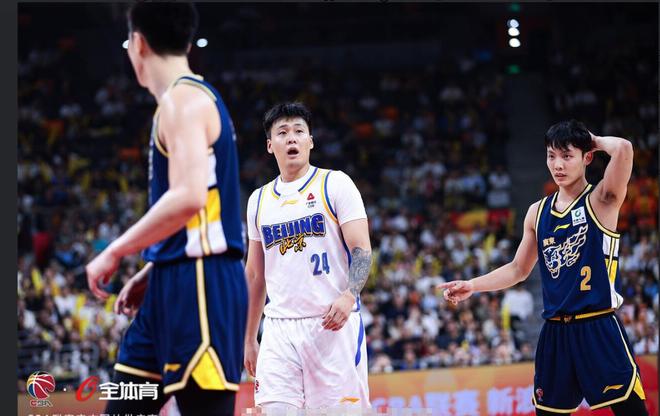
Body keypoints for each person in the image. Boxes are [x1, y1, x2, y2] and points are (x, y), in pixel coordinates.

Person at [85, 3, 246, 415]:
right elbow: (202, 206)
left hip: (202, 287)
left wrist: (115, 250)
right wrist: (156, 264)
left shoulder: (183, 101)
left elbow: (189, 196)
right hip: (169, 281)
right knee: (126, 405)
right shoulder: (187, 100)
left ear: (137, 44)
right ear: (187, 43)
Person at [439, 120, 648, 415]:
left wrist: (592, 139)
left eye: (567, 155)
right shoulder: (536, 212)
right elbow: (517, 269)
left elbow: (624, 149)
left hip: (597, 324)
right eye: (552, 155)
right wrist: (473, 285)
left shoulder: (601, 200)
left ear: (587, 157)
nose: (557, 165)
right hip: (555, 332)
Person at [244, 102, 372, 409]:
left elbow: (362, 249)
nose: (292, 138)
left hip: (331, 324)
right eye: (282, 132)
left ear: (310, 141)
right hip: (279, 329)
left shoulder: (335, 184)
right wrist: (249, 337)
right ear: (270, 145)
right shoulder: (258, 200)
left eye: (299, 131)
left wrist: (349, 295)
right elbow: (255, 275)